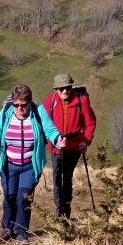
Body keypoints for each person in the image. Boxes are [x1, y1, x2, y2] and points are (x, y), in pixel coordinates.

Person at [0, 84, 65, 245]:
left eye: (24, 104)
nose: (20, 108)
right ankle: (7, 229)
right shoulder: (6, 112)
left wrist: (57, 139)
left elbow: (49, 130)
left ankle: (21, 233)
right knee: (10, 196)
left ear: (30, 102)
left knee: (24, 198)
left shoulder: (38, 112)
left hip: (30, 165)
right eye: (17, 104)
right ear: (12, 103)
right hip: (9, 164)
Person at [42, 72, 96, 220]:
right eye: (61, 89)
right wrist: (50, 140)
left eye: (68, 87)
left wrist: (86, 140)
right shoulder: (50, 102)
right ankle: (59, 210)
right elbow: (44, 124)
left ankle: (66, 209)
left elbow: (90, 122)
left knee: (67, 176)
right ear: (56, 90)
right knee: (57, 177)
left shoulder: (81, 100)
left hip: (74, 146)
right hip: (56, 146)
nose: (65, 91)